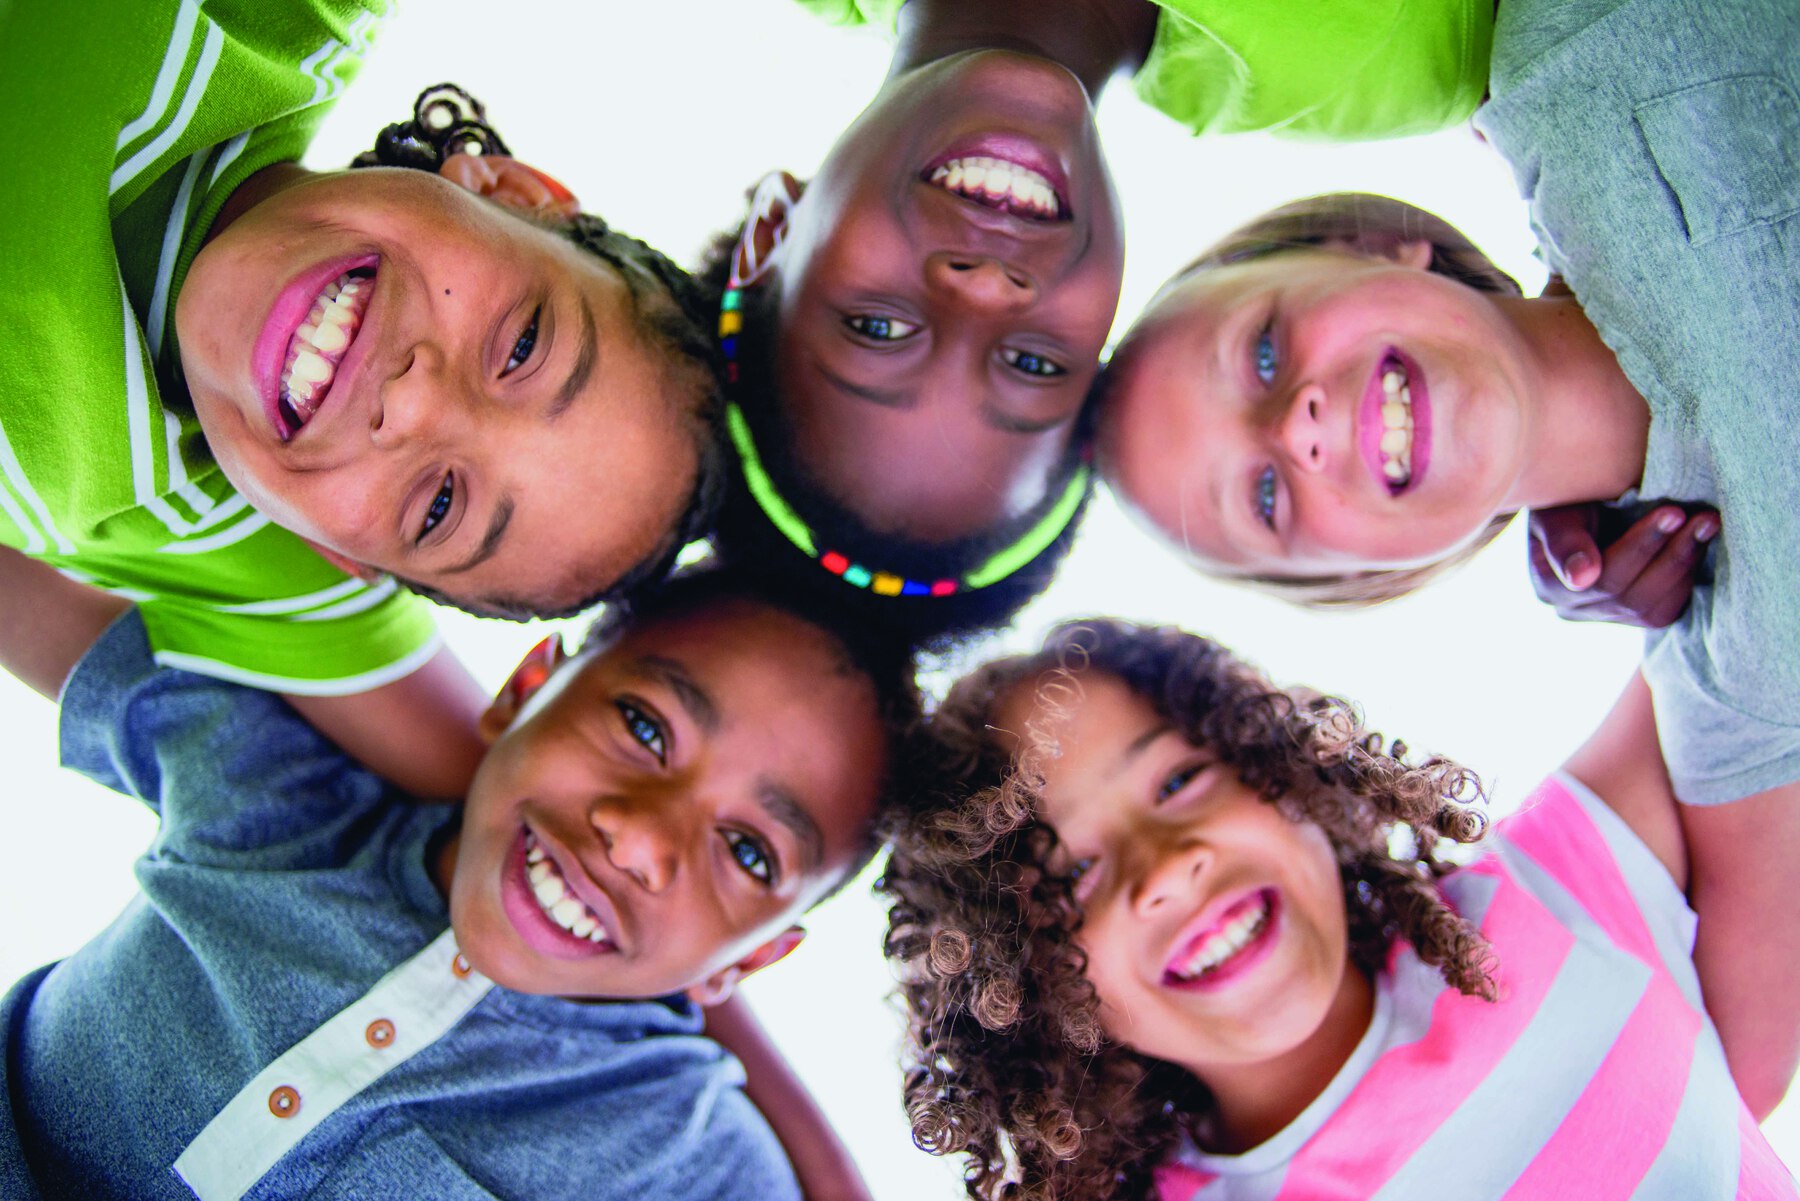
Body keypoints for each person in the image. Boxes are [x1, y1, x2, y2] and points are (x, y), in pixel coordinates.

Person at [0, 552, 917, 1201]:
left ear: (746, 964)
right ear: (524, 691)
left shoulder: (693, 1166)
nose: (640, 836)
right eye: (643, 727)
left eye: (750, 851)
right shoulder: (287, 788)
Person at [1, 0, 723, 797]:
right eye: (523, 345)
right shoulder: (275, 21)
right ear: (513, 192)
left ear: (342, 557)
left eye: (441, 505)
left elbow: (497, 794)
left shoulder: (213, 527)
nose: (412, 407)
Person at [882, 620, 1799, 1200]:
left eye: (1180, 778)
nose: (1165, 867)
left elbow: (1740, 606)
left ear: (1285, 771)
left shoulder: (1552, 889)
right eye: (1068, 875)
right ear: (1024, 989)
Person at [697, 0, 1497, 643]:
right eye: (1035, 364)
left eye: (876, 328)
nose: (982, 289)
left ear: (772, 235)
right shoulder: (1400, 57)